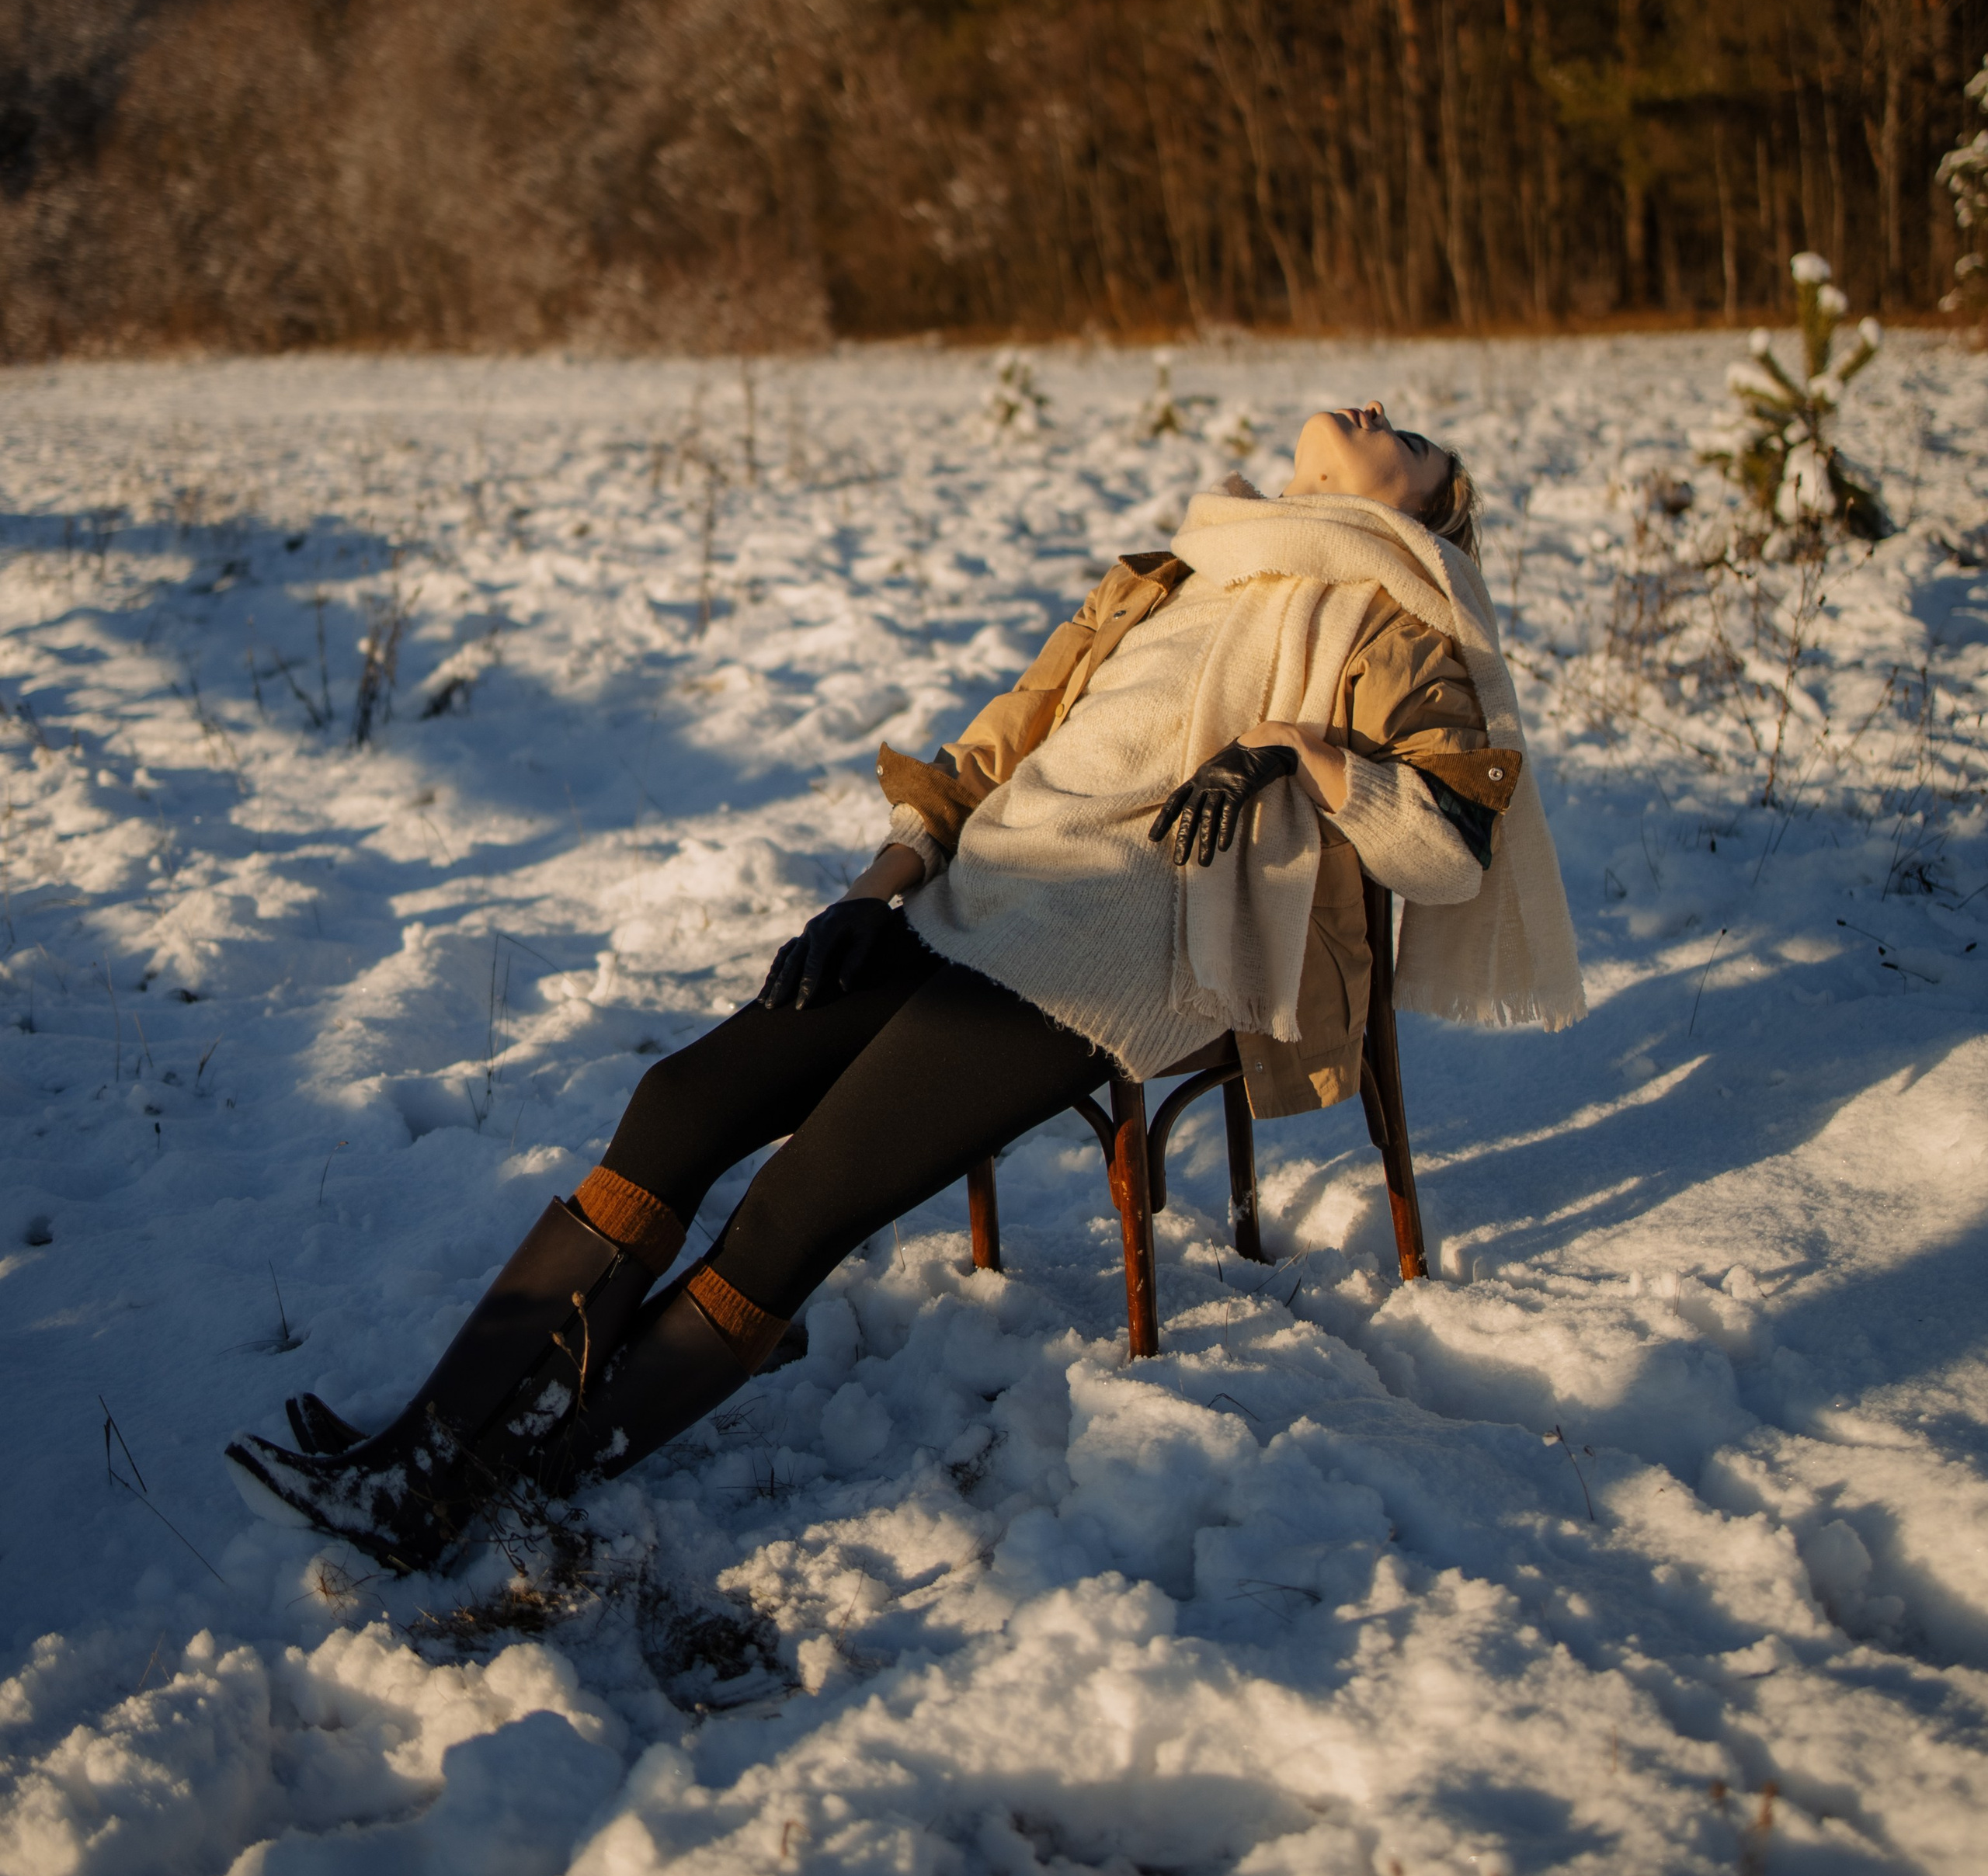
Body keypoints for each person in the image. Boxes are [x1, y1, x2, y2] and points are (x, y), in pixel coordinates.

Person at [227, 403, 1583, 1571]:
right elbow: (997, 742)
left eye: (1408, 437)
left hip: (1115, 952)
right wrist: (874, 887)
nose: (1373, 404)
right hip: (975, 894)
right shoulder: (1180, 568)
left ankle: (486, 1490)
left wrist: (1298, 748)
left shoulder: (1396, 626)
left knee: (794, 1204)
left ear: (1422, 519)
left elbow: (1447, 847)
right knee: (679, 1098)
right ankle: (424, 1443)